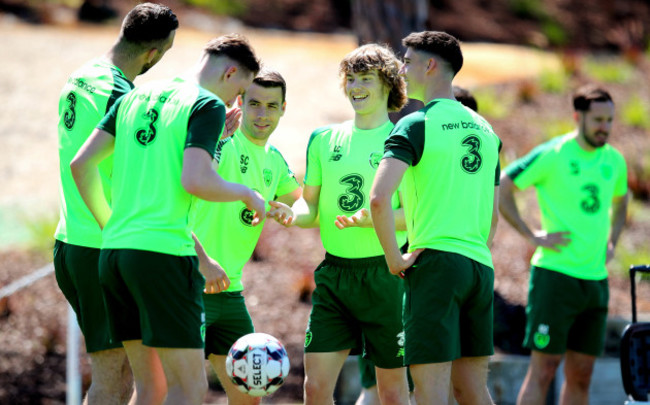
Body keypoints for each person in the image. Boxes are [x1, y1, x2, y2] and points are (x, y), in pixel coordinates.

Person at [70, 34, 265, 405]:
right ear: (231, 72)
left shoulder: (133, 96)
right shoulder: (206, 105)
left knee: (152, 388)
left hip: (113, 255)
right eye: (239, 90)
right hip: (163, 257)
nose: (235, 103)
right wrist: (247, 193)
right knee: (188, 388)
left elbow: (81, 164)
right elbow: (195, 180)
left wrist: (109, 223)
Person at [267, 43, 410, 404]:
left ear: (389, 85)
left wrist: (373, 221)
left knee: (391, 393)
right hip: (335, 276)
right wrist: (291, 214)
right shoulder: (323, 139)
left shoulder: (406, 140)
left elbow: (415, 215)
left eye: (367, 79)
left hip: (387, 277)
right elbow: (309, 206)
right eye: (352, 78)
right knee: (314, 388)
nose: (356, 86)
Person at [53, 4, 178, 404]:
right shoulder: (120, 95)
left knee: (122, 374)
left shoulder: (81, 75)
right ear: (154, 54)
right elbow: (146, 170)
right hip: (98, 246)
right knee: (113, 378)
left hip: (71, 239)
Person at [370, 31, 501, 405]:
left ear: (430, 65)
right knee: (473, 392)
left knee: (430, 395)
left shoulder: (416, 124)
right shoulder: (488, 131)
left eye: (407, 61)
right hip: (479, 267)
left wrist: (395, 258)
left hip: (435, 267)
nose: (402, 70)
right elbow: (492, 218)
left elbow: (379, 199)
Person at [499, 85, 628, 405]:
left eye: (609, 120)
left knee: (582, 375)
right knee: (543, 371)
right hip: (554, 279)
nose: (605, 127)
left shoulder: (614, 159)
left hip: (595, 282)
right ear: (577, 117)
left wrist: (613, 241)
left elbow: (622, 201)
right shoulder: (553, 154)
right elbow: (503, 184)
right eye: (598, 119)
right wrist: (531, 235)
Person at [353, 83, 480, 405]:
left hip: (453, 275)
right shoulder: (410, 153)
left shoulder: (471, 165)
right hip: (403, 276)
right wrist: (373, 226)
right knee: (387, 388)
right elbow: (386, 204)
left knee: (451, 385)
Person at [191, 68, 301, 404]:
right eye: (254, 103)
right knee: (171, 391)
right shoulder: (218, 140)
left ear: (284, 108)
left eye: (271, 105)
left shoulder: (276, 162)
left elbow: (296, 198)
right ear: (240, 102)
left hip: (231, 292)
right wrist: (202, 260)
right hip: (189, 284)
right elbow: (172, 206)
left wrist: (283, 210)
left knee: (249, 395)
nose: (262, 114)